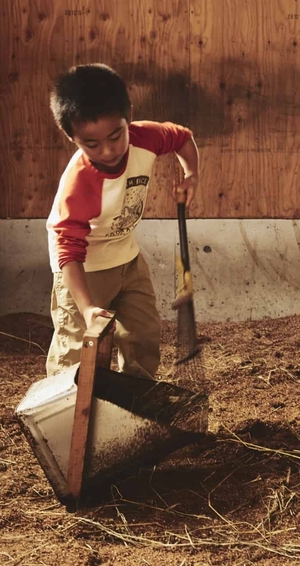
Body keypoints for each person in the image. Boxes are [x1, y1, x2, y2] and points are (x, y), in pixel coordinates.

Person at [44, 63, 200, 378]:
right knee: (78, 347)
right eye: (92, 144)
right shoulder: (80, 183)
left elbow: (181, 137)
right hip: (83, 268)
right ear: (72, 138)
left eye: (116, 135)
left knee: (143, 333)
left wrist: (192, 174)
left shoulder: (146, 137)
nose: (108, 150)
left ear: (128, 115)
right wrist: (87, 307)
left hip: (127, 257)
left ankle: (136, 398)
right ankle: (67, 404)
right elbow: (68, 250)